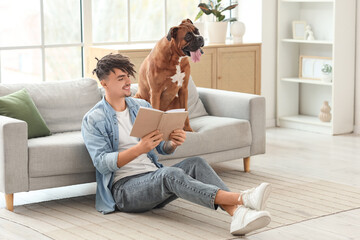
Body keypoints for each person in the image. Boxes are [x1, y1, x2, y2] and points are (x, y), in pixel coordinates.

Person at [81, 53, 272, 236]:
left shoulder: (141, 107)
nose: (128, 82)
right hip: (125, 190)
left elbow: (160, 147)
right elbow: (102, 162)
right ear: (104, 83)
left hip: (153, 177)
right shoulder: (94, 119)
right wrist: (140, 148)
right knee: (169, 174)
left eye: (128, 76)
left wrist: (171, 143)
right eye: (121, 78)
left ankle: (237, 213)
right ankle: (243, 198)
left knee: (195, 163)